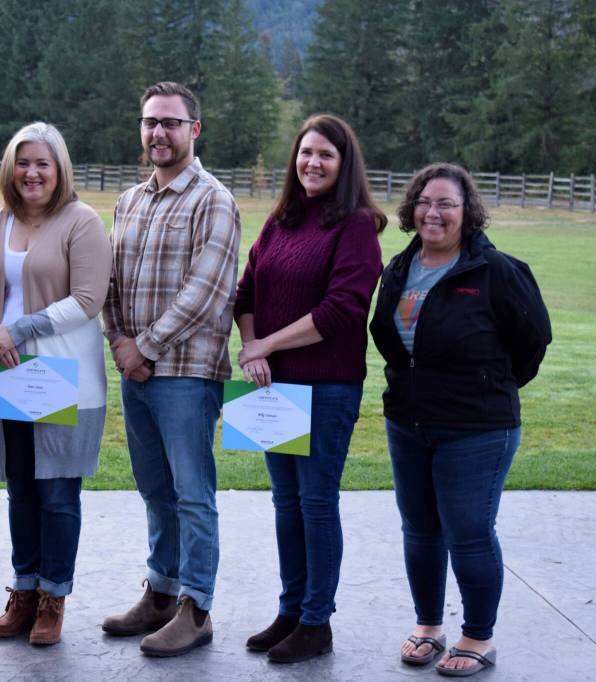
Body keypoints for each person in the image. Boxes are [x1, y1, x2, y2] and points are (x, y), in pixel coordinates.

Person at [369, 163, 551, 677]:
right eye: (426, 202)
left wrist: (486, 388)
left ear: (467, 212)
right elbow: (389, 339)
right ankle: (428, 626)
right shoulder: (400, 269)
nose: (434, 212)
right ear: (412, 208)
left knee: (468, 532)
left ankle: (478, 635)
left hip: (477, 428)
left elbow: (532, 341)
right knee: (420, 530)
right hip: (408, 422)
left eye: (447, 203)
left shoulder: (498, 272)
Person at [234, 114, 386, 663]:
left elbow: (343, 310)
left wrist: (267, 345)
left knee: (317, 504)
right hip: (273, 390)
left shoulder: (357, 226)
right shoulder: (281, 221)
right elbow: (245, 291)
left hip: (325, 388)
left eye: (325, 154)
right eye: (305, 153)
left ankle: (317, 622)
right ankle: (291, 609)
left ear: (344, 165)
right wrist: (254, 351)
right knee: (286, 504)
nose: (312, 163)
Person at [100, 81, 241, 657]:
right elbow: (106, 279)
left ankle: (196, 607)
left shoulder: (213, 200)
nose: (159, 132)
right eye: (150, 122)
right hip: (134, 370)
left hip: (186, 372)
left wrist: (145, 347)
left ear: (194, 130)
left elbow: (206, 292)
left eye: (171, 123)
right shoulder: (129, 200)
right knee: (154, 490)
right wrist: (117, 341)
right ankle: (160, 593)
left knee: (192, 494)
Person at [0, 122, 111, 645]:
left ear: (60, 170)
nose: (32, 172)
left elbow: (88, 299)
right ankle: (23, 592)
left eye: (42, 163)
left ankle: (54, 598)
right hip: (5, 373)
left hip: (61, 377)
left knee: (57, 494)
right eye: (23, 162)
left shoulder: (82, 222)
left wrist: (20, 329)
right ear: (10, 169)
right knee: (21, 492)